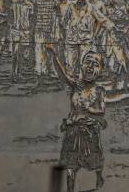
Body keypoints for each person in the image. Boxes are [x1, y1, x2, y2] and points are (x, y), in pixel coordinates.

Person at [46, 44, 107, 192]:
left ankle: (99, 175)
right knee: (70, 165)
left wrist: (91, 110)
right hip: (73, 132)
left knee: (95, 160)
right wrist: (54, 55)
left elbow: (102, 111)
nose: (90, 67)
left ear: (100, 71)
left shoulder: (99, 90)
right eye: (87, 62)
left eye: (95, 64)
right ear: (82, 65)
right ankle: (70, 189)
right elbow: (62, 74)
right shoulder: (76, 86)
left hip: (90, 131)